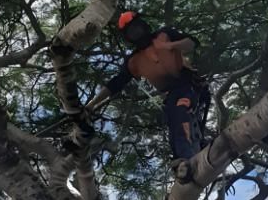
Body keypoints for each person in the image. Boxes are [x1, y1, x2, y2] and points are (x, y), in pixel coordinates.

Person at [85, 12, 209, 162]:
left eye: (137, 28)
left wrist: (168, 45)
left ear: (144, 25)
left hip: (189, 84)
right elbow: (116, 83)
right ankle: (183, 159)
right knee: (173, 118)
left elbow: (192, 43)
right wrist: (92, 105)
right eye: (132, 33)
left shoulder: (164, 35)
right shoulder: (134, 61)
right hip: (171, 94)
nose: (137, 33)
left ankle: (186, 158)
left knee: (181, 107)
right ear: (128, 38)